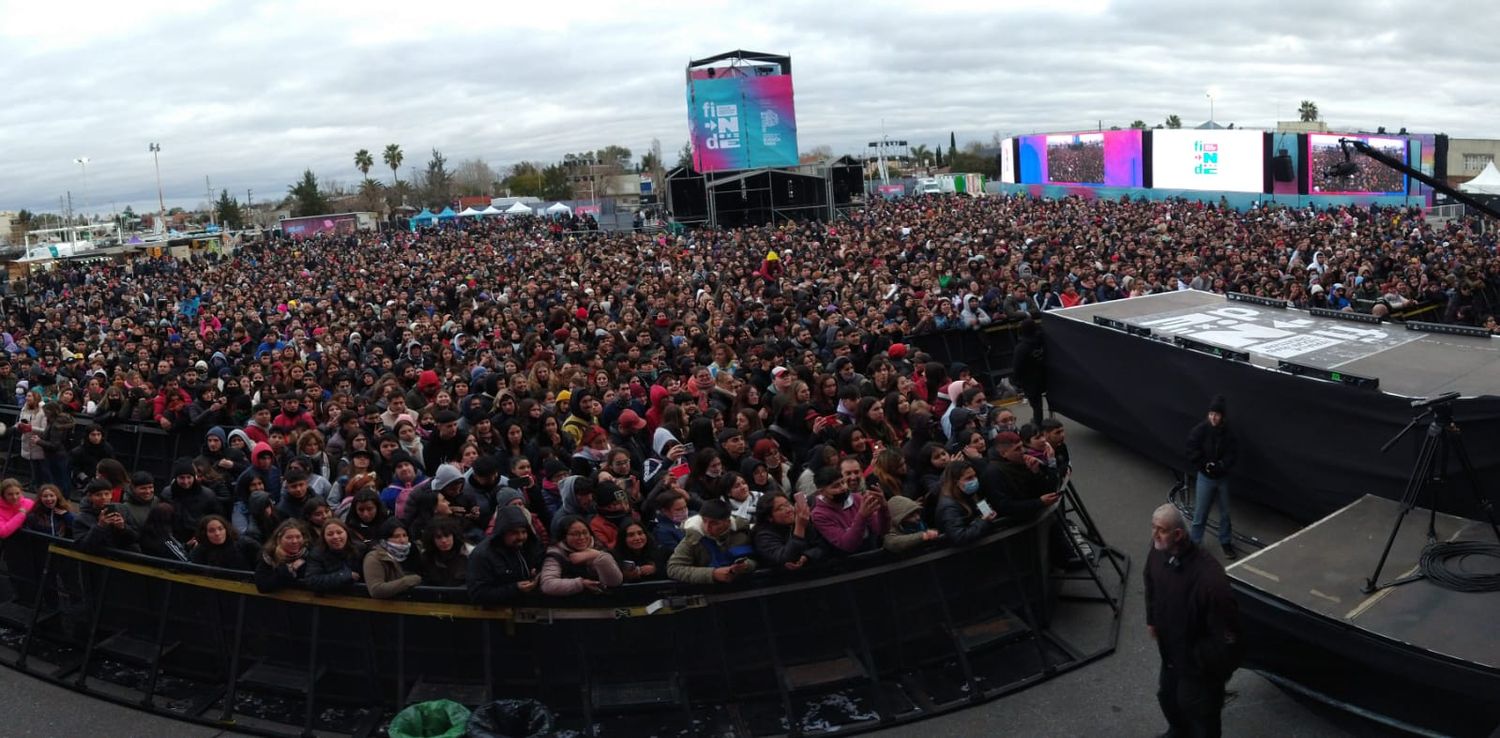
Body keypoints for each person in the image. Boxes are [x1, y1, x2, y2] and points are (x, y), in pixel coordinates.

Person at [1144, 503, 1243, 738]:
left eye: (1161, 530)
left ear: (1178, 534)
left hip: (1197, 666)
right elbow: (1150, 582)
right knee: (1168, 696)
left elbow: (1229, 639)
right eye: (1153, 527)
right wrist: (1152, 619)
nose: (1154, 535)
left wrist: (1200, 662)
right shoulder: (1159, 551)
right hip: (1170, 652)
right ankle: (1178, 731)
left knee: (1200, 713)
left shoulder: (1210, 580)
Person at [1186, 395, 1238, 559]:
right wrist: (1204, 464)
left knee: (1225, 513)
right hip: (1205, 477)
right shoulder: (1201, 430)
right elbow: (1191, 448)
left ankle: (1225, 541)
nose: (1213, 417)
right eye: (1211, 414)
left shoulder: (1228, 433)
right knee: (1200, 513)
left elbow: (1232, 454)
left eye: (1216, 414)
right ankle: (1194, 543)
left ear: (1222, 416)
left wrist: (1221, 465)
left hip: (1222, 478)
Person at [667, 498, 757, 585]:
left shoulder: (742, 533)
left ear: (728, 522)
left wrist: (746, 566)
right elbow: (674, 569)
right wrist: (712, 574)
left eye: (714, 523)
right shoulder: (693, 538)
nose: (707, 527)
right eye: (704, 521)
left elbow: (756, 559)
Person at [467, 506, 542, 603]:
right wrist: (515, 589)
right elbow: (478, 594)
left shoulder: (529, 546)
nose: (521, 537)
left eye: (524, 532)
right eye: (514, 533)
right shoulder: (483, 555)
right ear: (502, 532)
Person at [539, 515, 623, 596]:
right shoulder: (556, 554)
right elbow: (547, 585)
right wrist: (581, 583)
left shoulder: (599, 547)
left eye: (585, 532)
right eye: (575, 534)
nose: (582, 537)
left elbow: (614, 581)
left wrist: (598, 555)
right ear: (564, 536)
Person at [363, 524, 424, 599]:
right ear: (385, 539)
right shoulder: (375, 558)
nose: (402, 540)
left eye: (404, 535)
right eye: (396, 536)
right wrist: (408, 581)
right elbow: (376, 590)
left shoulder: (414, 552)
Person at [254, 520, 311, 593]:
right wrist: (287, 567)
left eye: (298, 537)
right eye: (289, 537)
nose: (294, 541)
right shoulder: (269, 556)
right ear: (279, 539)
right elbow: (263, 587)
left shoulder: (309, 555)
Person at [188, 514, 261, 570]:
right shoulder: (199, 551)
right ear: (204, 534)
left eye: (220, 529)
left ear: (226, 529)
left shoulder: (246, 544)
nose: (217, 533)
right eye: (211, 531)